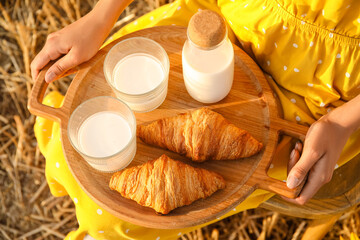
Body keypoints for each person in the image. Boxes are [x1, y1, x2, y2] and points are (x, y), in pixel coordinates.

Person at [31, 0, 360, 239]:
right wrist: (100, 16)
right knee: (71, 143)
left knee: (111, 221)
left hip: (320, 99)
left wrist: (342, 122)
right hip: (217, 23)